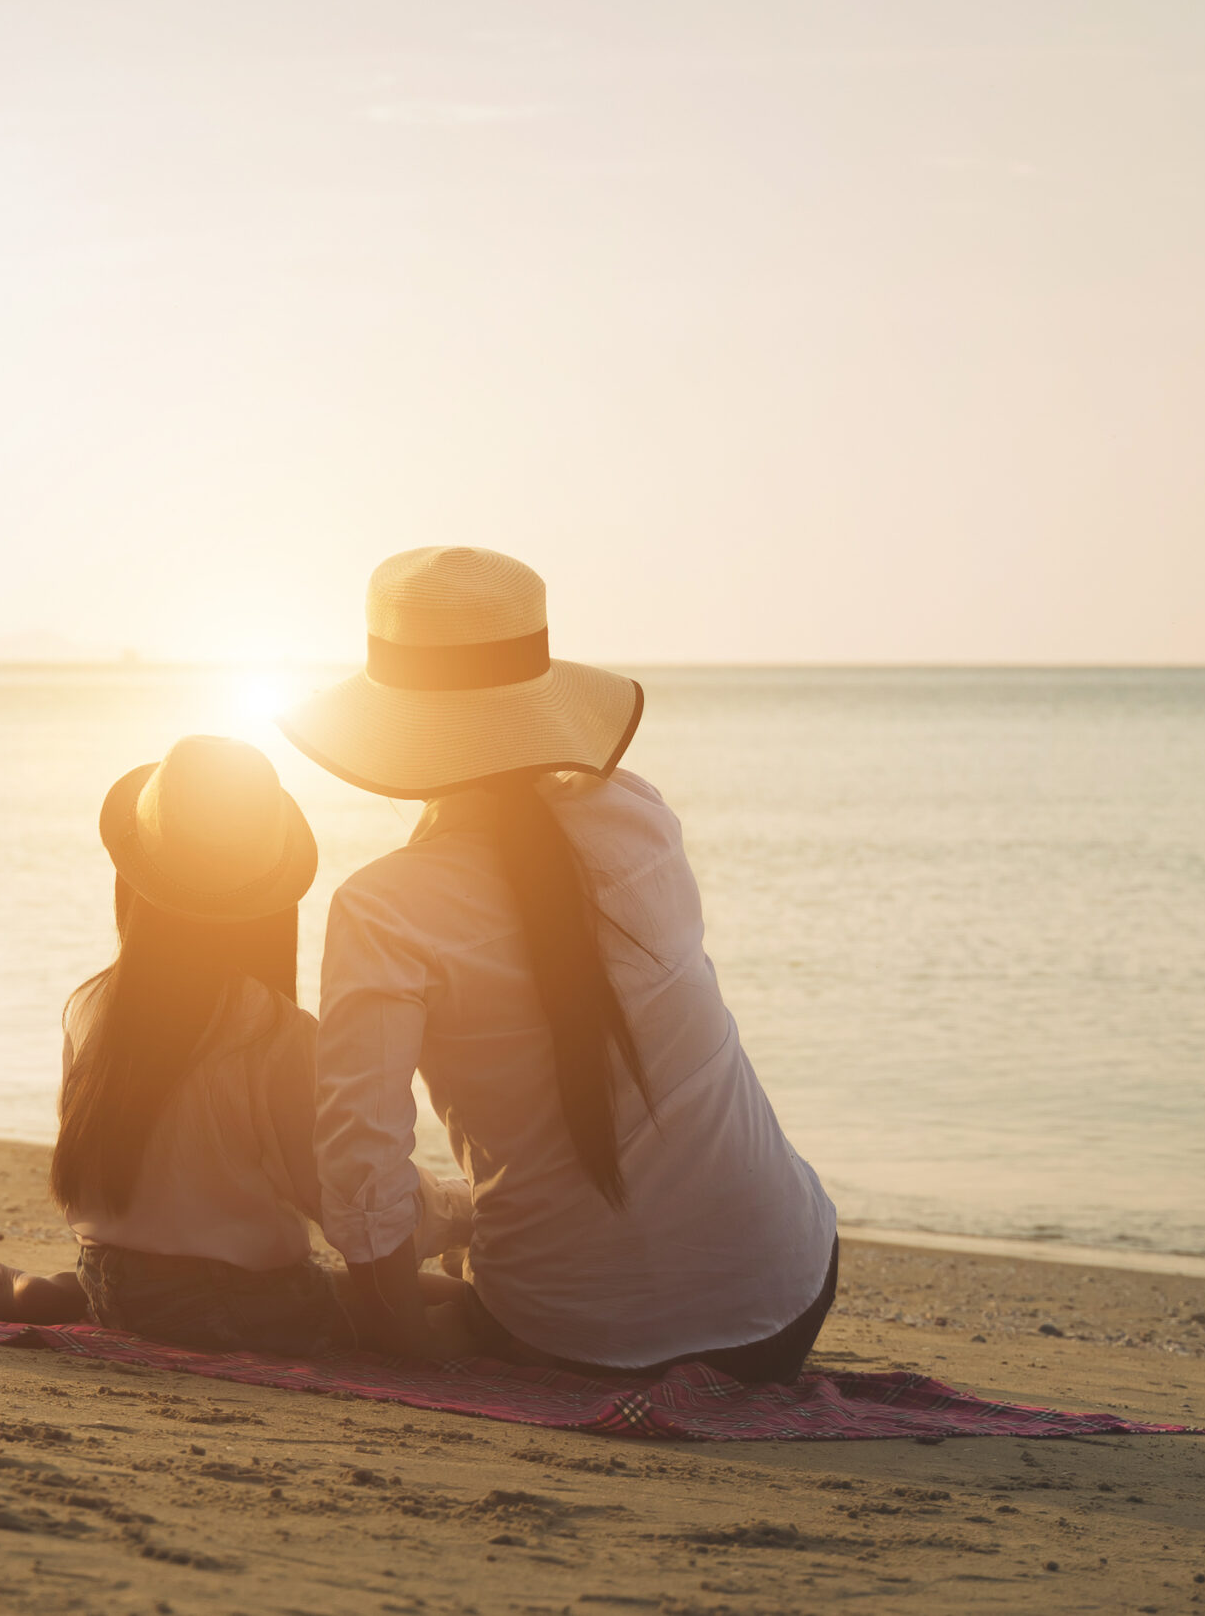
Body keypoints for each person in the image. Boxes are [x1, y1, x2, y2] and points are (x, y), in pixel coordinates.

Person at [279, 547, 837, 1383]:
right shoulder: (641, 818)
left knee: (440, 1280)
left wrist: (399, 1332)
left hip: (568, 1331)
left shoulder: (384, 907)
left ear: (394, 726)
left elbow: (360, 1160)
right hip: (785, 1301)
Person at [0, 735, 470, 1355]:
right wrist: (463, 1207)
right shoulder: (276, 1033)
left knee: (174, 1281)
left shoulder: (91, 1006)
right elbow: (344, 1198)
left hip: (112, 1282)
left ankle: (44, 1292)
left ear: (136, 882)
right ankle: (48, 1292)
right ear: (269, 901)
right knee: (455, 1303)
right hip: (233, 1304)